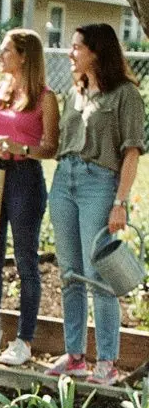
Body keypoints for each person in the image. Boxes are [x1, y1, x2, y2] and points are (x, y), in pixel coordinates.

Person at [47, 23, 145, 386]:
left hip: (99, 185)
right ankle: (75, 356)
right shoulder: (75, 92)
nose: (70, 53)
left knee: (99, 275)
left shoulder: (125, 95)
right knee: (70, 273)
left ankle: (107, 361)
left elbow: (131, 153)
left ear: (96, 51)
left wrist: (120, 202)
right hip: (64, 181)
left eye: (76, 47)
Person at [0, 29, 60, 366]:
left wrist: (21, 147)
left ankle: (24, 340)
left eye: (6, 49)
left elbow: (51, 147)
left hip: (25, 178)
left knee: (26, 260)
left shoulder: (46, 97)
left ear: (25, 55)